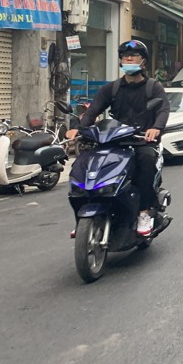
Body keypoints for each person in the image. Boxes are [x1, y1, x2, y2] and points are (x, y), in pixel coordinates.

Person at [66, 40, 169, 237]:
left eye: (134, 56)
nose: (128, 59)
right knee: (83, 164)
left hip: (141, 141)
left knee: (146, 161)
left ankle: (144, 212)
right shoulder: (111, 89)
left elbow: (163, 110)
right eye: (125, 56)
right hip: (114, 140)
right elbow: (93, 110)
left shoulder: (153, 87)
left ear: (143, 62)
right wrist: (78, 129)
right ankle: (82, 216)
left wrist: (156, 128)